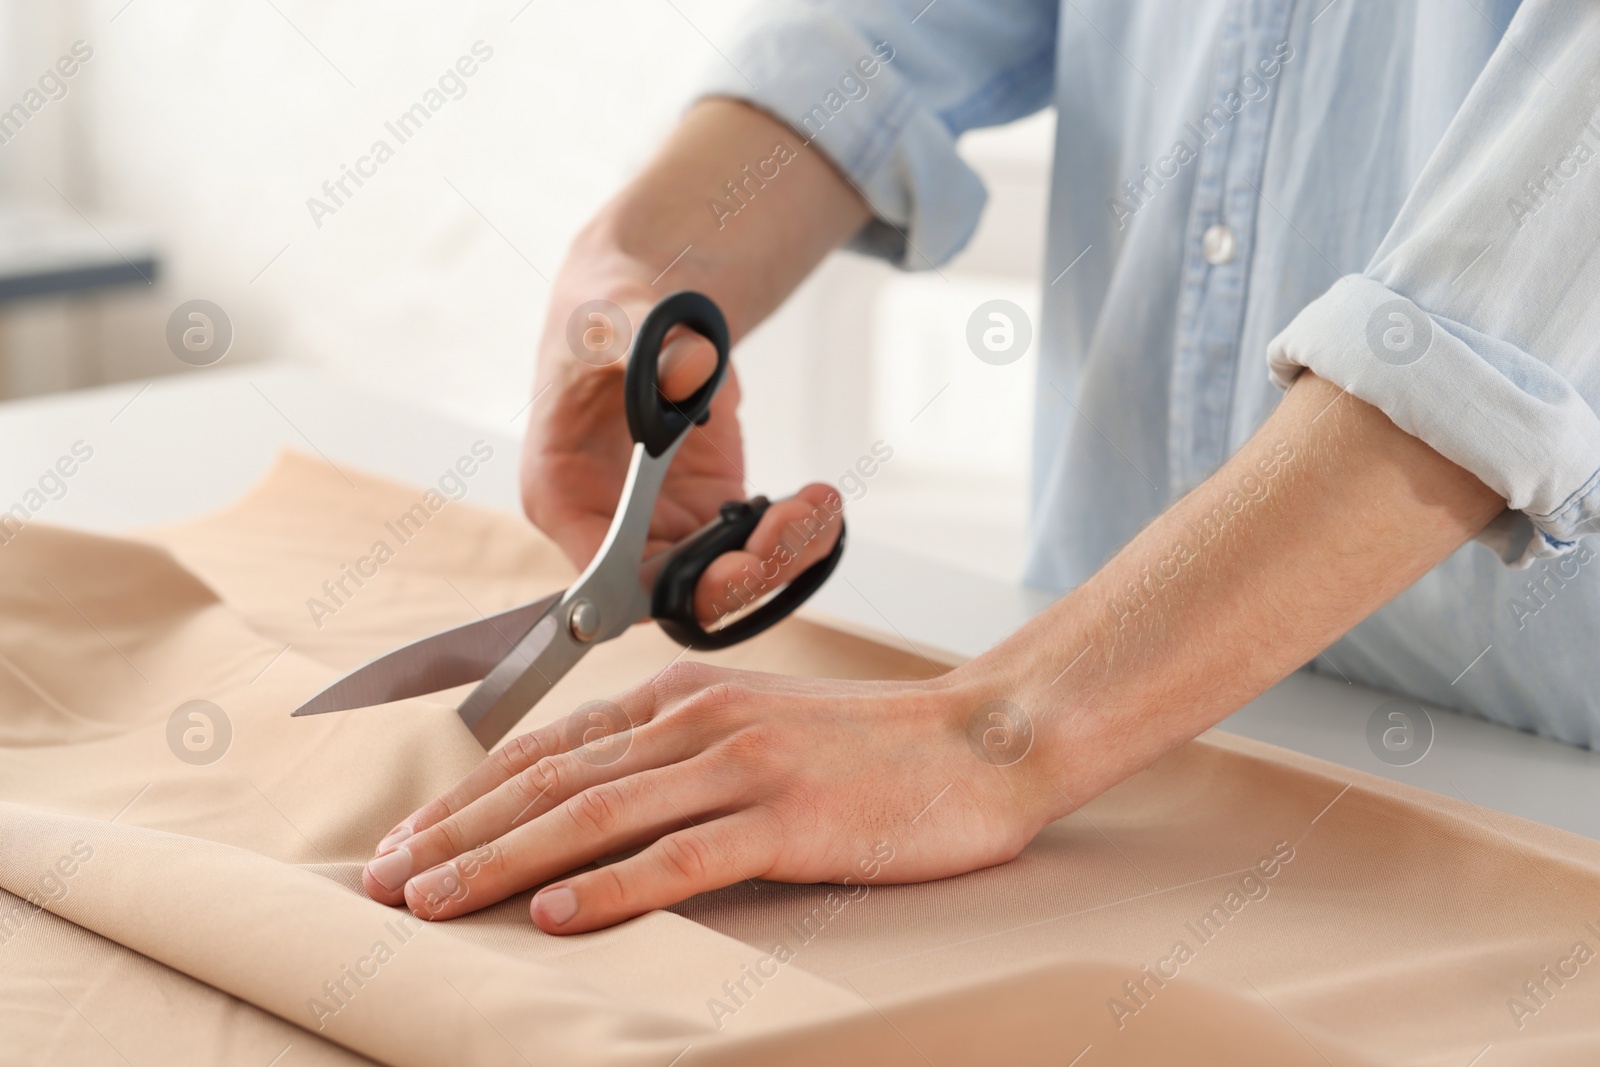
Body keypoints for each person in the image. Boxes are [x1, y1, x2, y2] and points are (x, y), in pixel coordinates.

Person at [360, 0, 1600, 934]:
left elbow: (1492, 325)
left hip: (1532, 792)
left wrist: (994, 729)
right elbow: (891, 31)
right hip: (1087, 711)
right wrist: (628, 268)